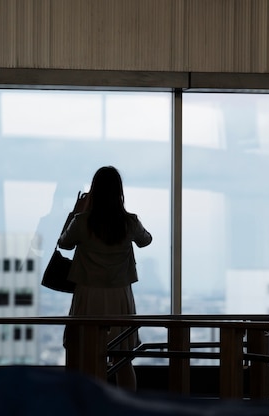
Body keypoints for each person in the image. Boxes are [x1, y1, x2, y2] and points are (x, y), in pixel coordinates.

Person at [58, 166, 152, 391]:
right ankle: (124, 407)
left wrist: (75, 211)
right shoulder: (129, 222)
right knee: (122, 359)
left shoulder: (82, 221)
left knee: (86, 355)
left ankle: (89, 406)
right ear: (119, 192)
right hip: (119, 294)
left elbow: (64, 243)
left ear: (94, 191)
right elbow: (146, 240)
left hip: (88, 294)